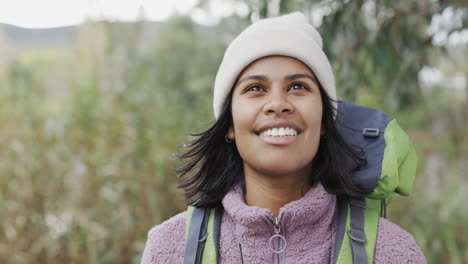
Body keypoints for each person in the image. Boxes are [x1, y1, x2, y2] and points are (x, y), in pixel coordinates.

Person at [140, 12, 426, 263]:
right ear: (228, 124)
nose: (278, 104)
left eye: (298, 86)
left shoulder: (393, 252)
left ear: (325, 120)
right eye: (255, 89)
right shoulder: (169, 248)